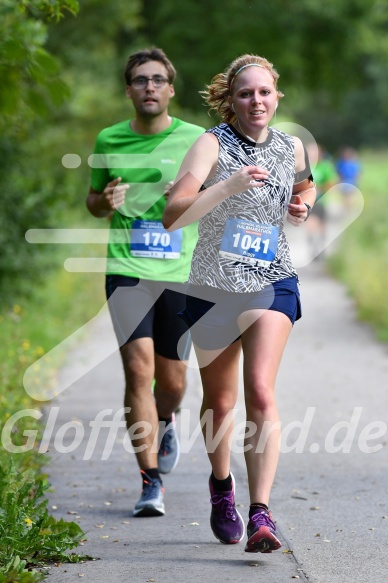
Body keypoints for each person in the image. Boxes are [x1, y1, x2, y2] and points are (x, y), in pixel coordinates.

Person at [163, 54, 316, 553]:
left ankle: (261, 511)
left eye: (265, 92)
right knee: (221, 402)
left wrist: (303, 204)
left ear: (277, 96)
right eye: (246, 93)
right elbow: (173, 216)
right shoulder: (210, 145)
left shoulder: (291, 146)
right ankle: (222, 487)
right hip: (214, 285)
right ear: (232, 98)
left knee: (261, 392)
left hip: (273, 279)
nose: (257, 101)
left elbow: (305, 184)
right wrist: (227, 185)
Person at [86, 47, 204, 517]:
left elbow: (221, 198)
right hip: (127, 271)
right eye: (140, 80)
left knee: (172, 382)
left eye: (158, 79)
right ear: (129, 89)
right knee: (138, 371)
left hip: (182, 273)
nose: (149, 87)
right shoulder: (109, 138)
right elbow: (93, 201)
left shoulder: (198, 139)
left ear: (171, 89)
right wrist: (105, 200)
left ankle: (165, 418)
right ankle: (149, 480)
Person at [305, 143, 338, 259]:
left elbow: (332, 182)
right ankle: (314, 249)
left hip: (322, 201)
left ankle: (321, 248)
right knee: (310, 225)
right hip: (309, 202)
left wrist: (320, 188)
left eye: (314, 152)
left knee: (321, 227)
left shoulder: (325, 166)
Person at [335, 146, 361, 211]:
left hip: (351, 182)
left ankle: (349, 208)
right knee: (345, 196)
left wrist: (357, 182)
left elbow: (357, 174)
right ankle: (347, 208)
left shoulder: (354, 163)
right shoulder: (341, 163)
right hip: (344, 182)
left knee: (349, 196)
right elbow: (338, 173)